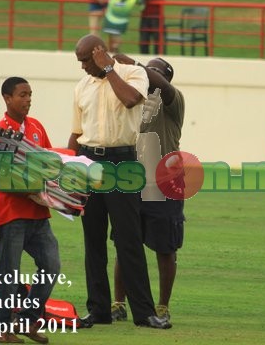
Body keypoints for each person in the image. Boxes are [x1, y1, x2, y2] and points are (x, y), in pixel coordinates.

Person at [68, 35, 171, 329]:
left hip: (123, 162)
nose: (83, 66)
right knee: (93, 240)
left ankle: (144, 313)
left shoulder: (132, 74)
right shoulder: (81, 87)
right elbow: (77, 133)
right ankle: (98, 309)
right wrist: (71, 171)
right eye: (80, 61)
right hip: (90, 162)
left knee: (128, 240)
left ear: (100, 52)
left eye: (87, 59)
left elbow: (130, 100)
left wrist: (109, 69)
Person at [110, 55, 185, 323]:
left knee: (165, 248)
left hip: (165, 180)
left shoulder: (173, 100)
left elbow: (162, 86)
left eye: (157, 71)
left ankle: (162, 305)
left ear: (165, 77)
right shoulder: (133, 99)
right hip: (131, 179)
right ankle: (118, 303)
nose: (149, 73)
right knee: (125, 244)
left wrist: (137, 65)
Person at [0, 77, 59, 344]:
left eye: (30, 94)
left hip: (38, 213)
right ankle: (0, 329)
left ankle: (27, 320)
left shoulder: (36, 127)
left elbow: (51, 163)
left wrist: (67, 198)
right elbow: (2, 176)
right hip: (12, 213)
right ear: (7, 98)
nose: (28, 99)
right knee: (9, 271)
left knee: (51, 265)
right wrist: (33, 188)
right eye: (22, 95)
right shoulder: (0, 132)